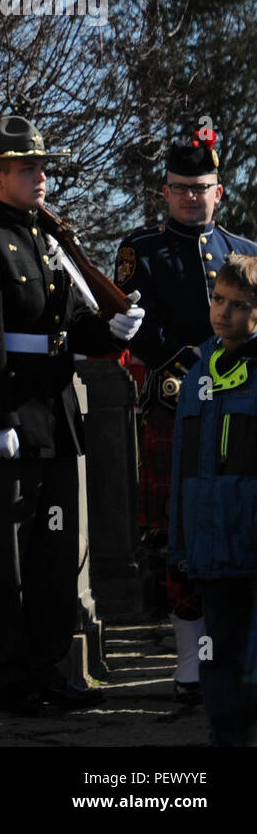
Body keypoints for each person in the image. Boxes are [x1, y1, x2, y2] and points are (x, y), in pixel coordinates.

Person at [0, 116, 143, 715]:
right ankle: (9, 676)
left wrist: (109, 331)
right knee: (6, 563)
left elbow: (60, 331)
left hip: (55, 418)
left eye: (42, 167)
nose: (41, 177)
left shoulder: (45, 240)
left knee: (55, 555)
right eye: (27, 168)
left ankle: (50, 667)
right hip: (8, 419)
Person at [116, 132, 256, 701]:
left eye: (199, 189)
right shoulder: (141, 248)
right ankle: (190, 665)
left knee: (234, 528)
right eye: (179, 189)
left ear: (218, 191)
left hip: (241, 413)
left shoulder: (243, 250)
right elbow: (124, 315)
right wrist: (184, 356)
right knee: (181, 536)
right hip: (177, 410)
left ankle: (229, 657)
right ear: (165, 191)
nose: (189, 199)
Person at [168, 252, 257, 747]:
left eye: (240, 305)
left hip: (250, 536)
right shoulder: (198, 373)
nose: (224, 312)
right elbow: (183, 467)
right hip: (211, 546)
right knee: (216, 654)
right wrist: (181, 544)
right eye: (218, 300)